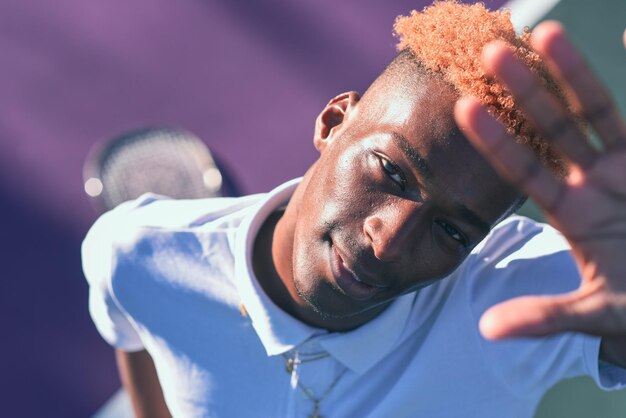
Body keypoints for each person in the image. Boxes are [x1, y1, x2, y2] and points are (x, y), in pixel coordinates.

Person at [82, 1, 626, 417]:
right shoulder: (136, 253)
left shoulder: (520, 294)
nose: (388, 241)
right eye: (391, 171)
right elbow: (135, 335)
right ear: (333, 122)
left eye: (453, 234)